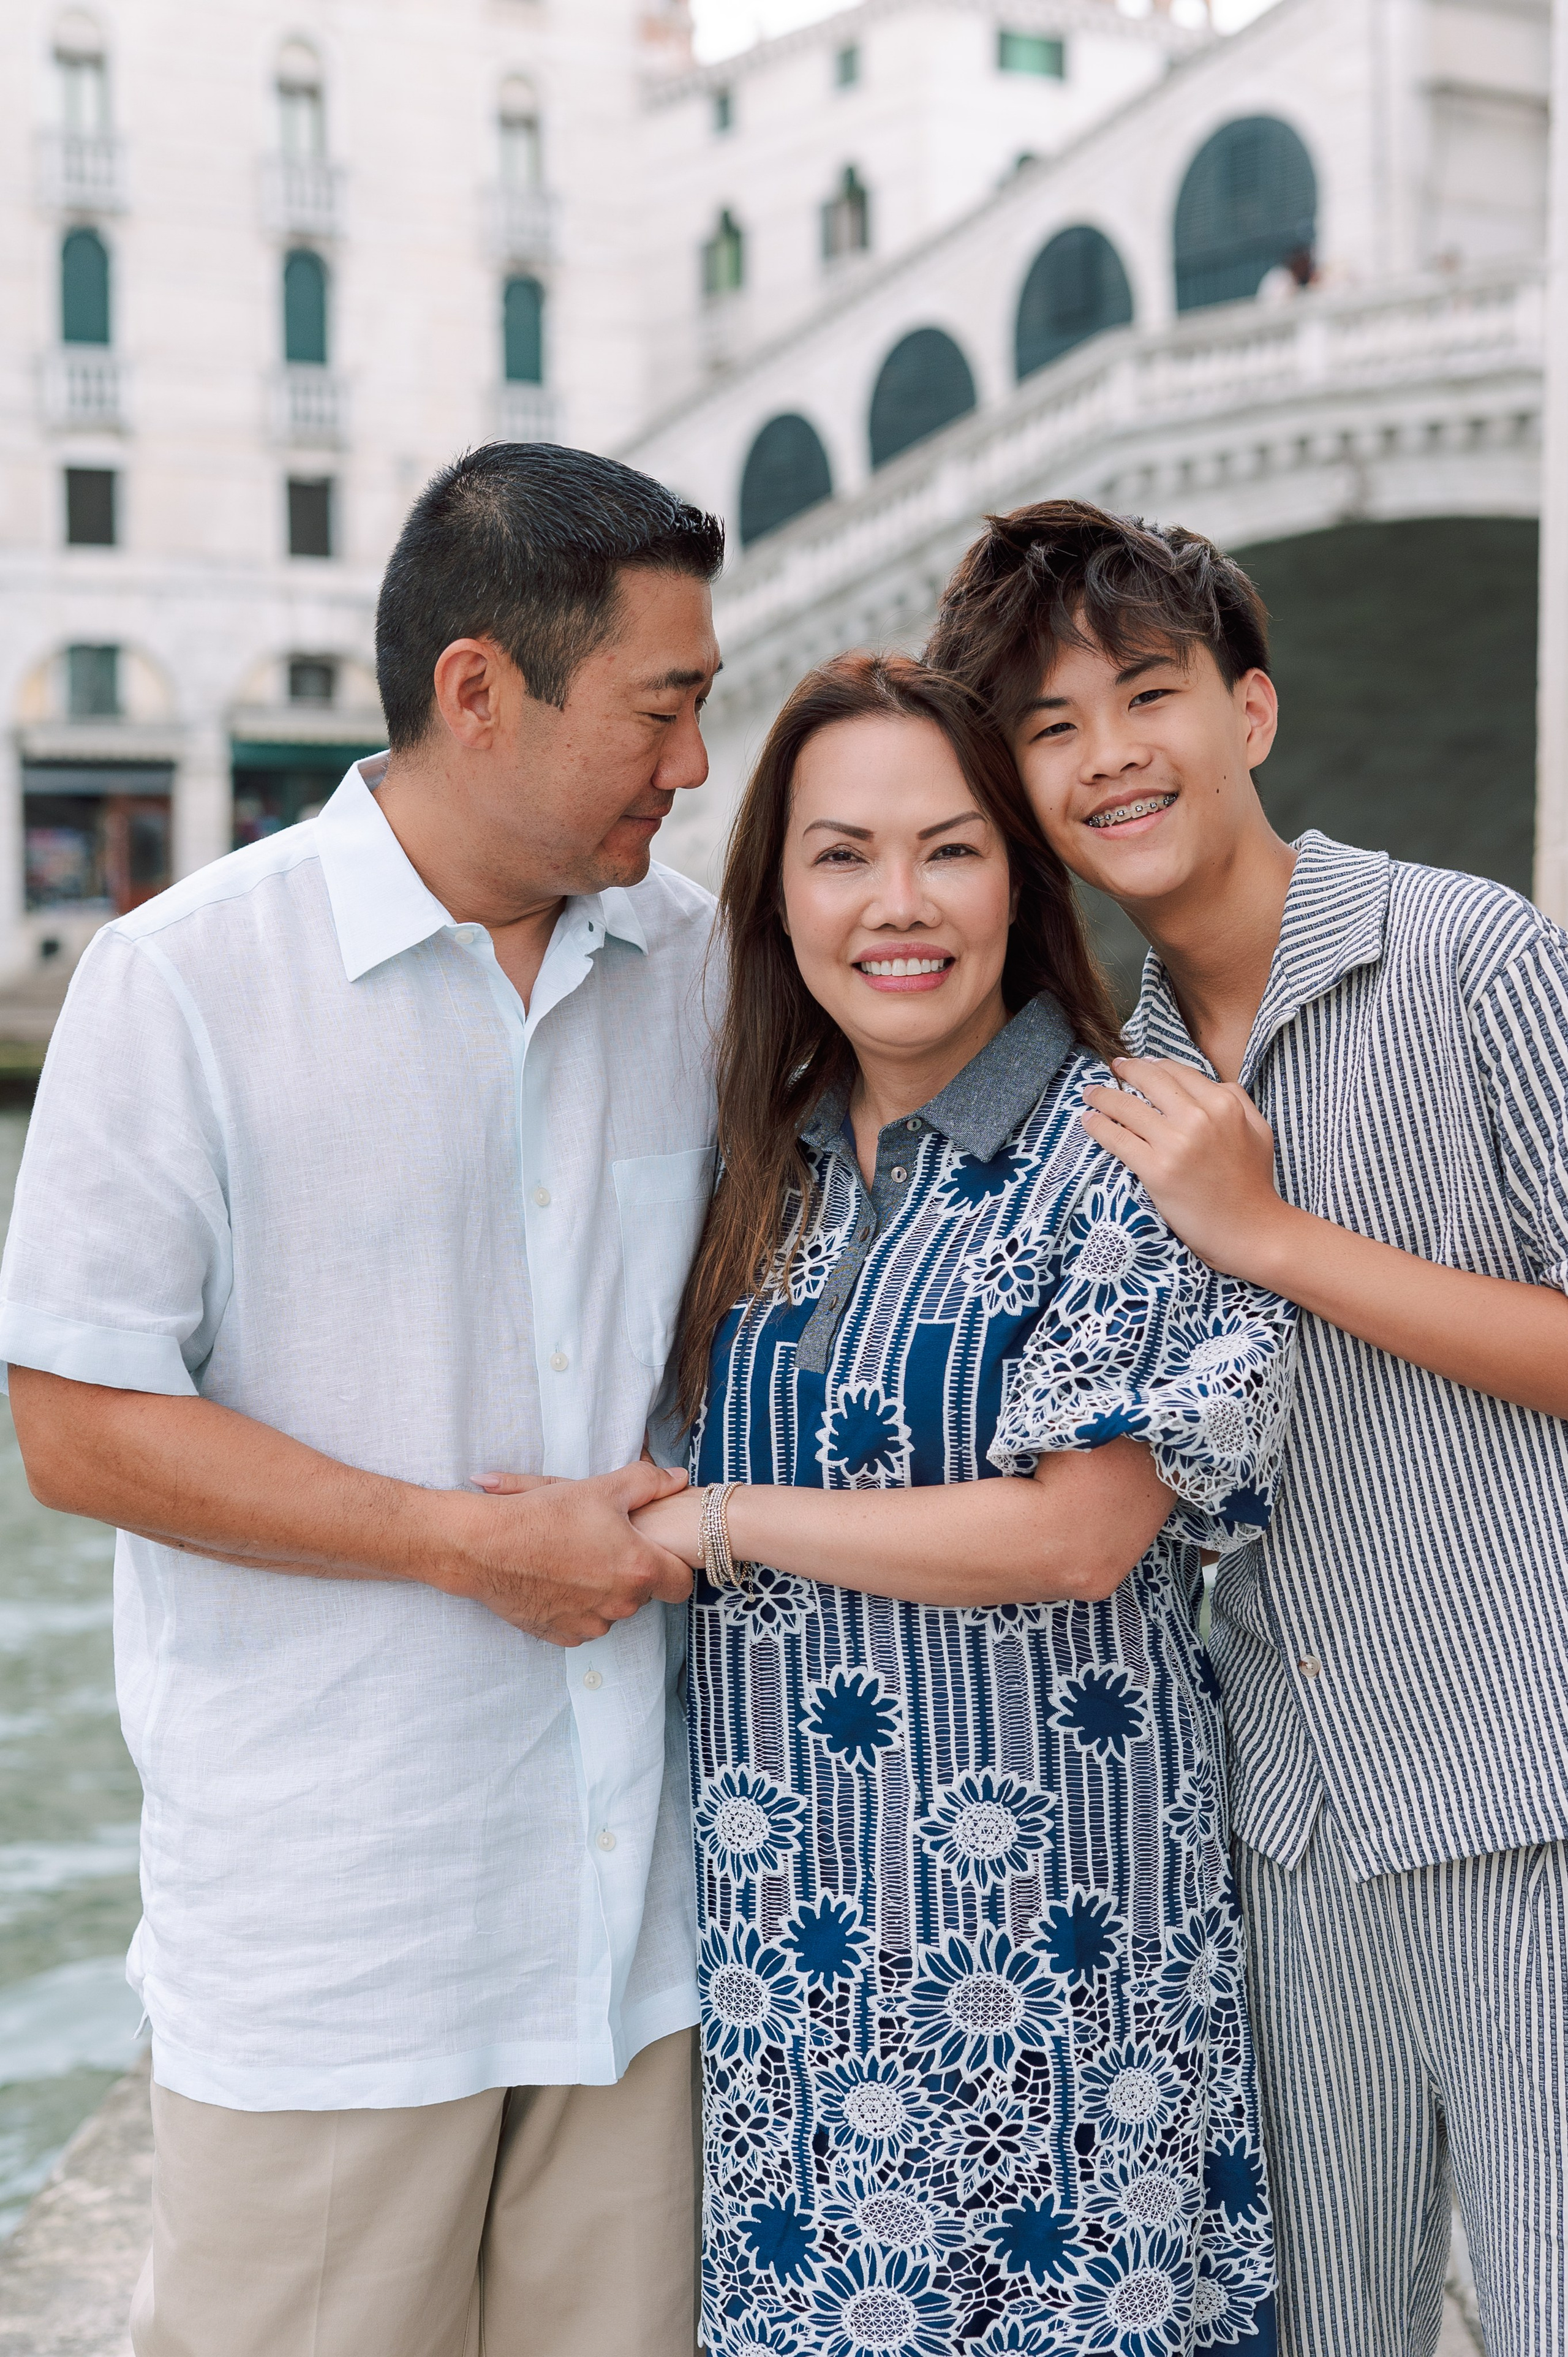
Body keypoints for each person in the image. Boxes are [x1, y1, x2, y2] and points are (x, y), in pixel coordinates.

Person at [0, 443, 726, 2357]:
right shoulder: (179, 984)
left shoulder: (703, 971)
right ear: (481, 689)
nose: (697, 765)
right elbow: (76, 1427)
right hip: (338, 1949)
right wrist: (472, 1548)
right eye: (667, 706)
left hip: (639, 1947)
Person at [927, 499, 1568, 2357]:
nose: (1111, 754)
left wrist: (1268, 1235)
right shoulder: (1108, 1081)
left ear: (1252, 712)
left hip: (1531, 1792)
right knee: (1317, 2326)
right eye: (1050, 729)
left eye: (1149, 693)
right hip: (1286, 1818)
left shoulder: (1475, 960)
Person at [631, 652, 1297, 2356]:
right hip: (794, 1965)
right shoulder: (745, 1164)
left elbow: (1083, 1533)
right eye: (842, 854)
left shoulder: (1126, 1141)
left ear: (1023, 872)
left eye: (951, 849)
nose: (898, 906)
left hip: (1066, 1954)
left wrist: (717, 1522)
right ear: (777, 896)